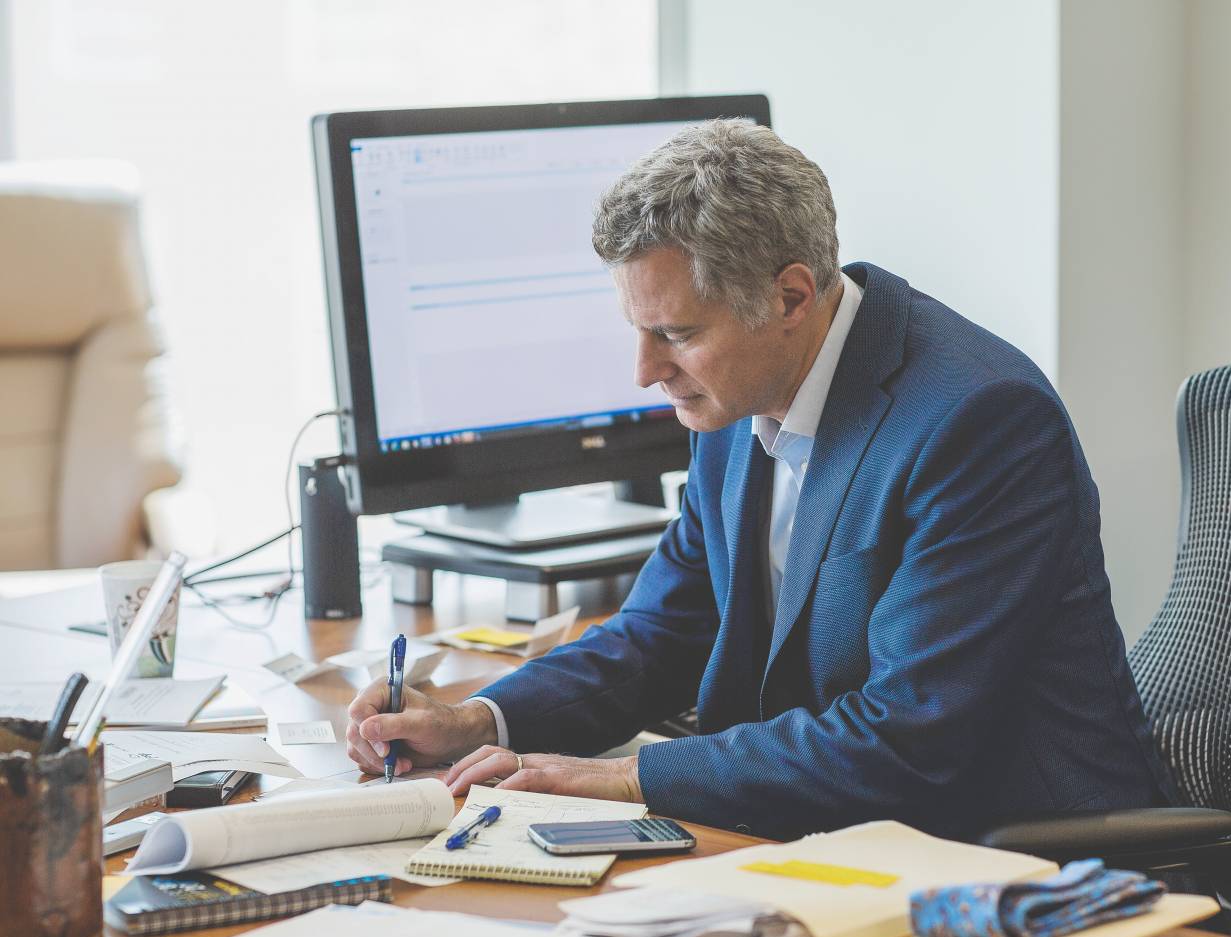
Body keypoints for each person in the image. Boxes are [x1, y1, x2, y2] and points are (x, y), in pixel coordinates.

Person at [346, 119, 1170, 841]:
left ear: (791, 296)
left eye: (675, 333)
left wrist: (634, 778)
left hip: (1010, 853)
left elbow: (909, 741)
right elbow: (663, 633)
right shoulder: (733, 397)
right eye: (637, 330)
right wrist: (474, 719)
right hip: (822, 828)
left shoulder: (979, 421)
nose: (643, 372)